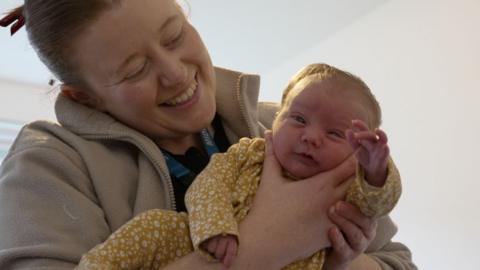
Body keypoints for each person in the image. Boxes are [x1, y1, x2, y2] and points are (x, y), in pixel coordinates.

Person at [0, 1, 416, 269]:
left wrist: (340, 260)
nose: (176, 73)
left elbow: (397, 262)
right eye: (134, 70)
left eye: (175, 34)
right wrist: (259, 248)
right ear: (86, 99)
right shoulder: (48, 167)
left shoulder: (287, 130)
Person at [75, 63, 402, 270]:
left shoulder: (347, 182)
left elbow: (375, 205)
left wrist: (376, 173)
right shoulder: (250, 152)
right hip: (201, 244)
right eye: (298, 119)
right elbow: (209, 185)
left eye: (334, 133)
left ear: (356, 150)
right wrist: (215, 228)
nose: (311, 137)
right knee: (152, 227)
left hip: (303, 264)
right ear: (276, 120)